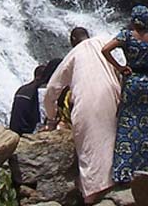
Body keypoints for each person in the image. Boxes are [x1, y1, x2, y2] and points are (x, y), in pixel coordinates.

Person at [42, 27, 121, 203]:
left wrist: (51, 117)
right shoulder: (104, 41)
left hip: (87, 100)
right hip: (113, 94)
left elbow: (52, 89)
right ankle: (116, 183)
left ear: (72, 40)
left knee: (89, 148)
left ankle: (92, 196)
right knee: (111, 140)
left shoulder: (73, 54)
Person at [102, 5, 148, 185]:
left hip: (132, 81)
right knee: (146, 122)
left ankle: (124, 169)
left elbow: (105, 50)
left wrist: (119, 67)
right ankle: (147, 164)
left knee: (127, 120)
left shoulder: (126, 36)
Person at [8, 58, 60, 135]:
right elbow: (44, 120)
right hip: (28, 134)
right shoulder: (44, 91)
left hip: (15, 132)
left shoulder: (23, 89)